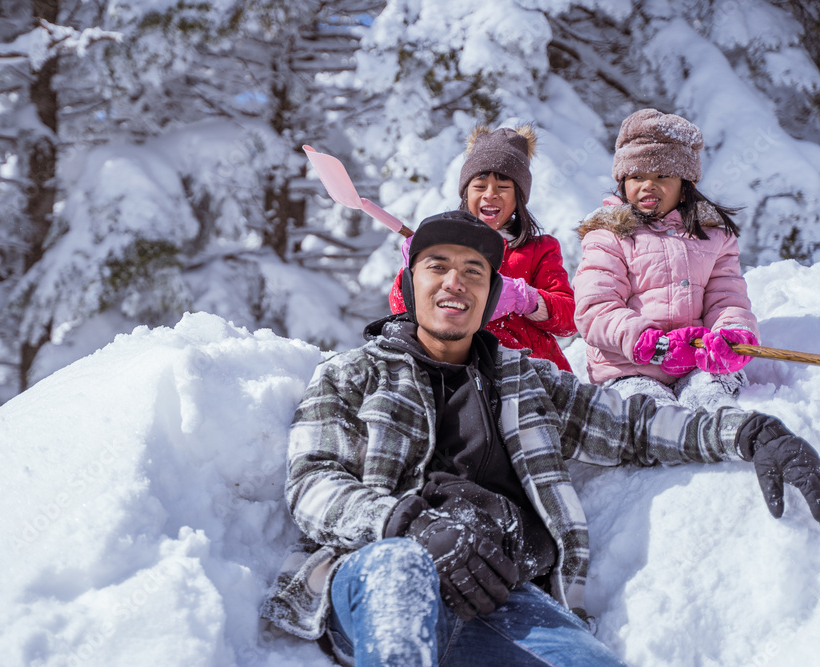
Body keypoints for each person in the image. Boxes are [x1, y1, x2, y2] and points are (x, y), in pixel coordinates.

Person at [260, 210, 820, 667]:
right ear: (409, 283)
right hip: (379, 575)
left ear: (490, 294)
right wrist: (408, 524)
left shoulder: (525, 379)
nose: (456, 282)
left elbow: (630, 424)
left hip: (500, 592)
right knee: (400, 570)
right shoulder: (352, 373)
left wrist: (749, 431)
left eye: (474, 272)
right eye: (438, 267)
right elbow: (313, 484)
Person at [573, 108, 760, 411]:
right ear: (623, 182)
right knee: (651, 417)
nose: (648, 185)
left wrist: (732, 334)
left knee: (715, 401)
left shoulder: (713, 237)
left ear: (686, 186)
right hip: (629, 366)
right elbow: (595, 309)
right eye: (637, 176)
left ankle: (726, 438)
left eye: (662, 175)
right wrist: (651, 344)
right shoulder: (608, 237)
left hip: (698, 363)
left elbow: (726, 299)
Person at [387, 125, 577, 372]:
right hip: (459, 369)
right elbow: (401, 310)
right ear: (466, 193)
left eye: (503, 187)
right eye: (480, 186)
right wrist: (413, 272)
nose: (491, 194)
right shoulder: (442, 245)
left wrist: (526, 299)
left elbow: (569, 321)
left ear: (519, 198)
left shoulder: (539, 249)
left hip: (531, 371)